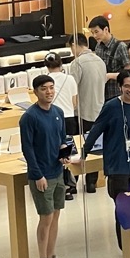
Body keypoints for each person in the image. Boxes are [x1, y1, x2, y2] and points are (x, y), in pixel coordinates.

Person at [80, 68, 130, 258]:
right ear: (120, 87)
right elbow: (96, 129)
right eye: (126, 86)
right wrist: (84, 152)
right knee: (123, 207)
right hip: (117, 166)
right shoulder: (112, 106)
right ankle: (127, 247)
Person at [20, 75, 73, 258]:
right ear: (36, 91)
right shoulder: (30, 117)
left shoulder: (58, 113)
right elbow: (28, 149)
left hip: (57, 172)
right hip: (42, 175)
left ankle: (51, 256)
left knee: (56, 214)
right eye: (44, 88)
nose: (49, 92)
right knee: (46, 217)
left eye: (51, 88)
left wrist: (64, 156)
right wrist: (37, 174)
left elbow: (62, 140)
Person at [68, 32, 106, 194]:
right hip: (99, 109)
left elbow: (72, 88)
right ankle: (91, 183)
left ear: (75, 45)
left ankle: (73, 183)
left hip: (83, 112)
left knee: (78, 147)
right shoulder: (100, 61)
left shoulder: (77, 63)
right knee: (95, 148)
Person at [45, 53, 80, 198]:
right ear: (61, 64)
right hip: (70, 118)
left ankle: (61, 185)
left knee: (56, 151)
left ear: (46, 66)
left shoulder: (45, 81)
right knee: (70, 152)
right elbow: (74, 102)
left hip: (53, 119)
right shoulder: (70, 79)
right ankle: (73, 184)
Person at [89, 15, 130, 102]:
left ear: (106, 29)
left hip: (117, 93)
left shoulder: (121, 46)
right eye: (92, 33)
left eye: (96, 32)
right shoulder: (98, 47)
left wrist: (109, 76)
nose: (94, 35)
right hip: (102, 94)